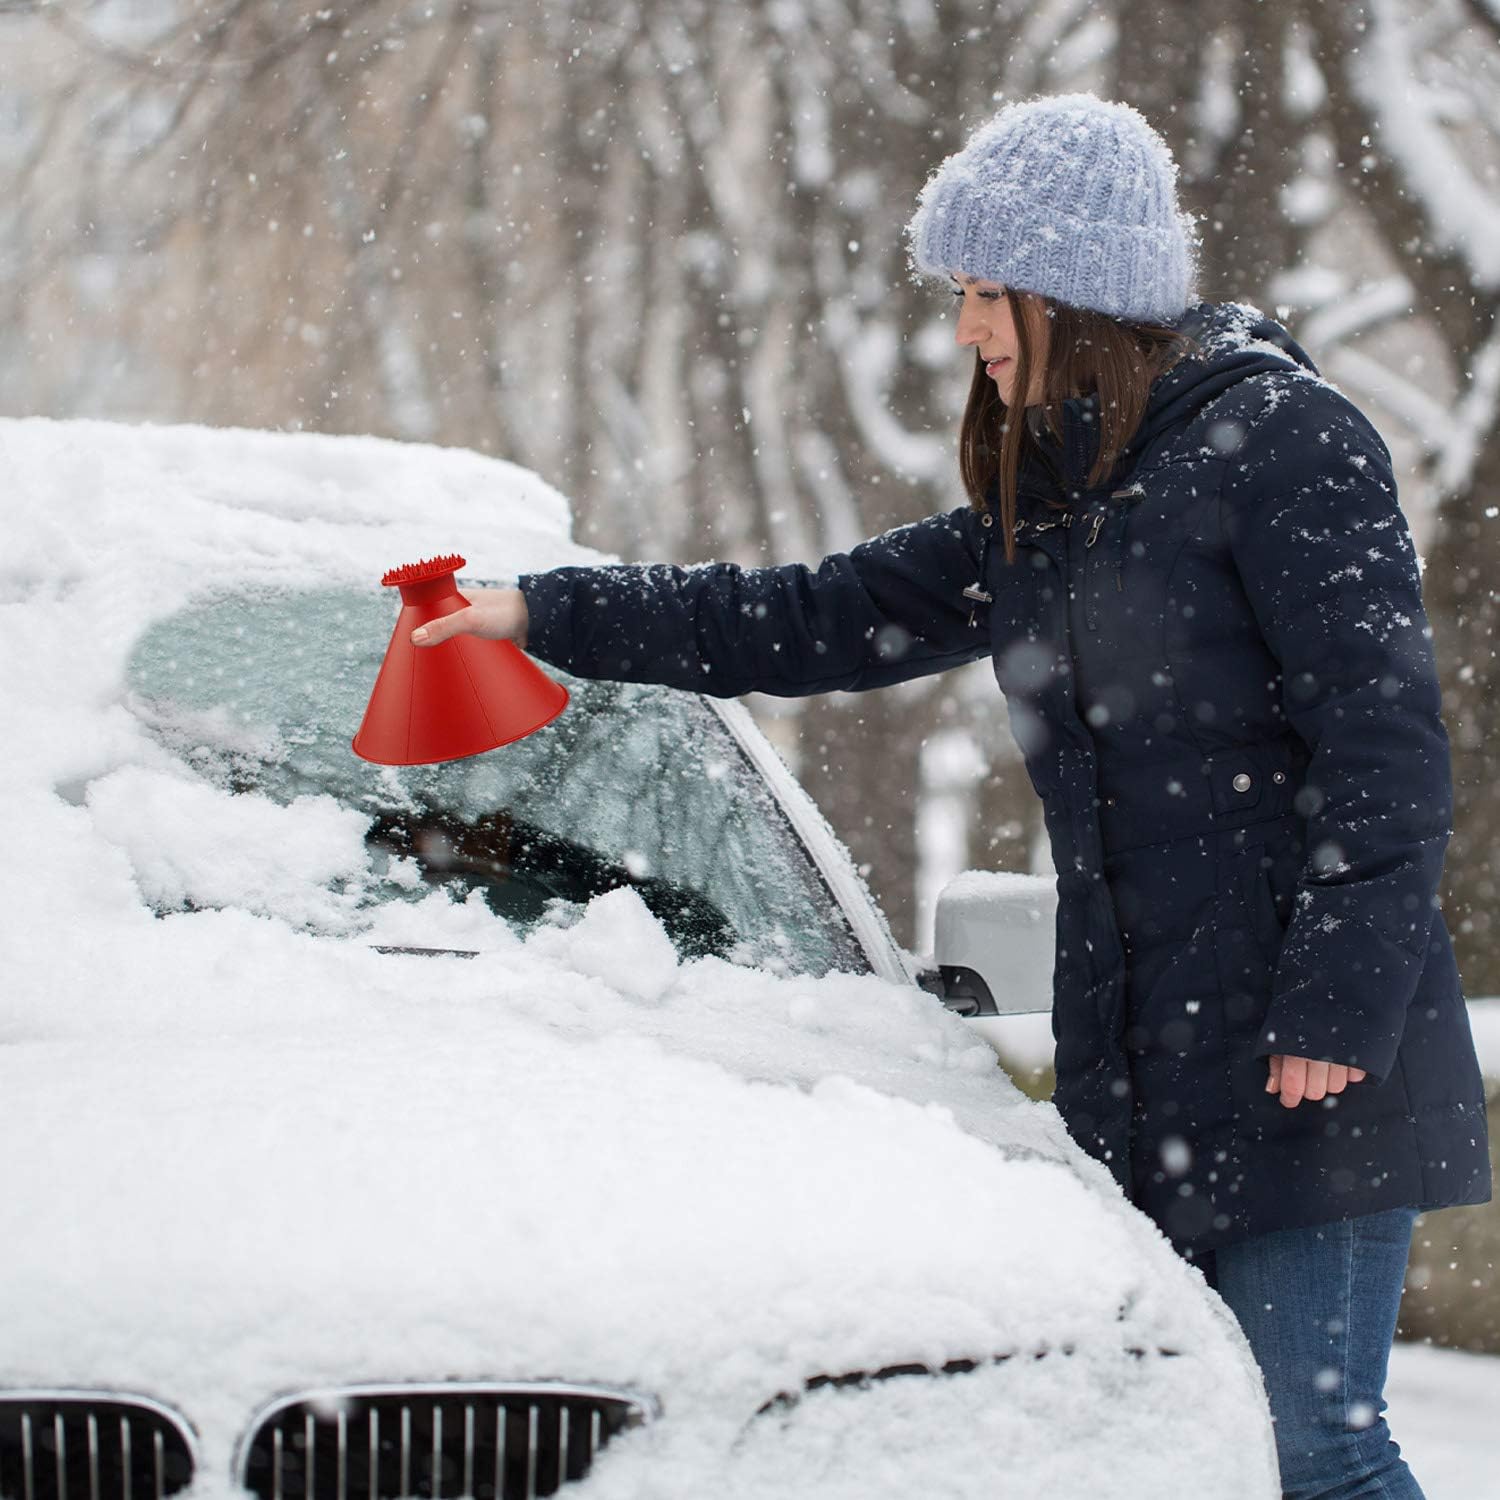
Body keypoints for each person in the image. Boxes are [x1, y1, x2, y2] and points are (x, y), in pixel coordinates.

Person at [411, 95, 1491, 1498]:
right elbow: (800, 619)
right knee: (1194, 1459)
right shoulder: (1048, 501)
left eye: (988, 293)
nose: (970, 328)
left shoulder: (1286, 444)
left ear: (1075, 292)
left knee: (1314, 1451)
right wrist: (536, 609)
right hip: (1151, 1063)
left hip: (1310, 1059)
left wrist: (1333, 1010)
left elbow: (1386, 747)